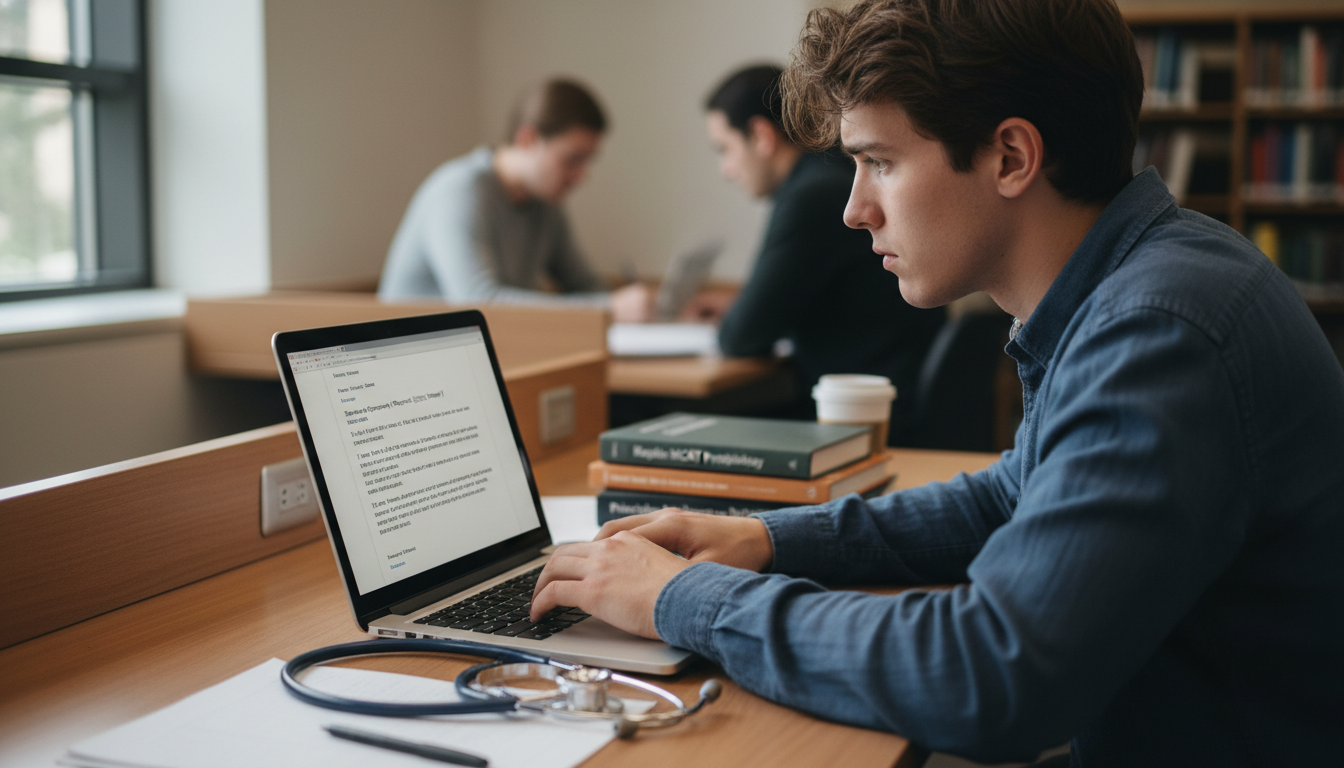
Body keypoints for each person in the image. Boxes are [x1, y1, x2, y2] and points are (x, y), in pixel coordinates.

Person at [529, 1, 1344, 765]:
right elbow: (1009, 497)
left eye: (879, 161)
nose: (854, 210)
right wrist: (765, 540)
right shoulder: (1140, 282)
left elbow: (993, 672)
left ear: (1011, 156)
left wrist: (685, 599)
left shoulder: (1161, 331)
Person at [698, 65, 944, 433]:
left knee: (691, 426)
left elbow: (741, 337)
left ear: (762, 136)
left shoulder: (812, 196)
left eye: (725, 149)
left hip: (867, 418)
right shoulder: (831, 174)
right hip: (886, 399)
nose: (726, 170)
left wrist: (737, 315)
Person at [378, 78, 653, 321]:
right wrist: (607, 309)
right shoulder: (459, 192)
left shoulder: (546, 204)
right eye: (572, 160)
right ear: (528, 139)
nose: (581, 176)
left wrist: (654, 307)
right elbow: (480, 302)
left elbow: (583, 285)